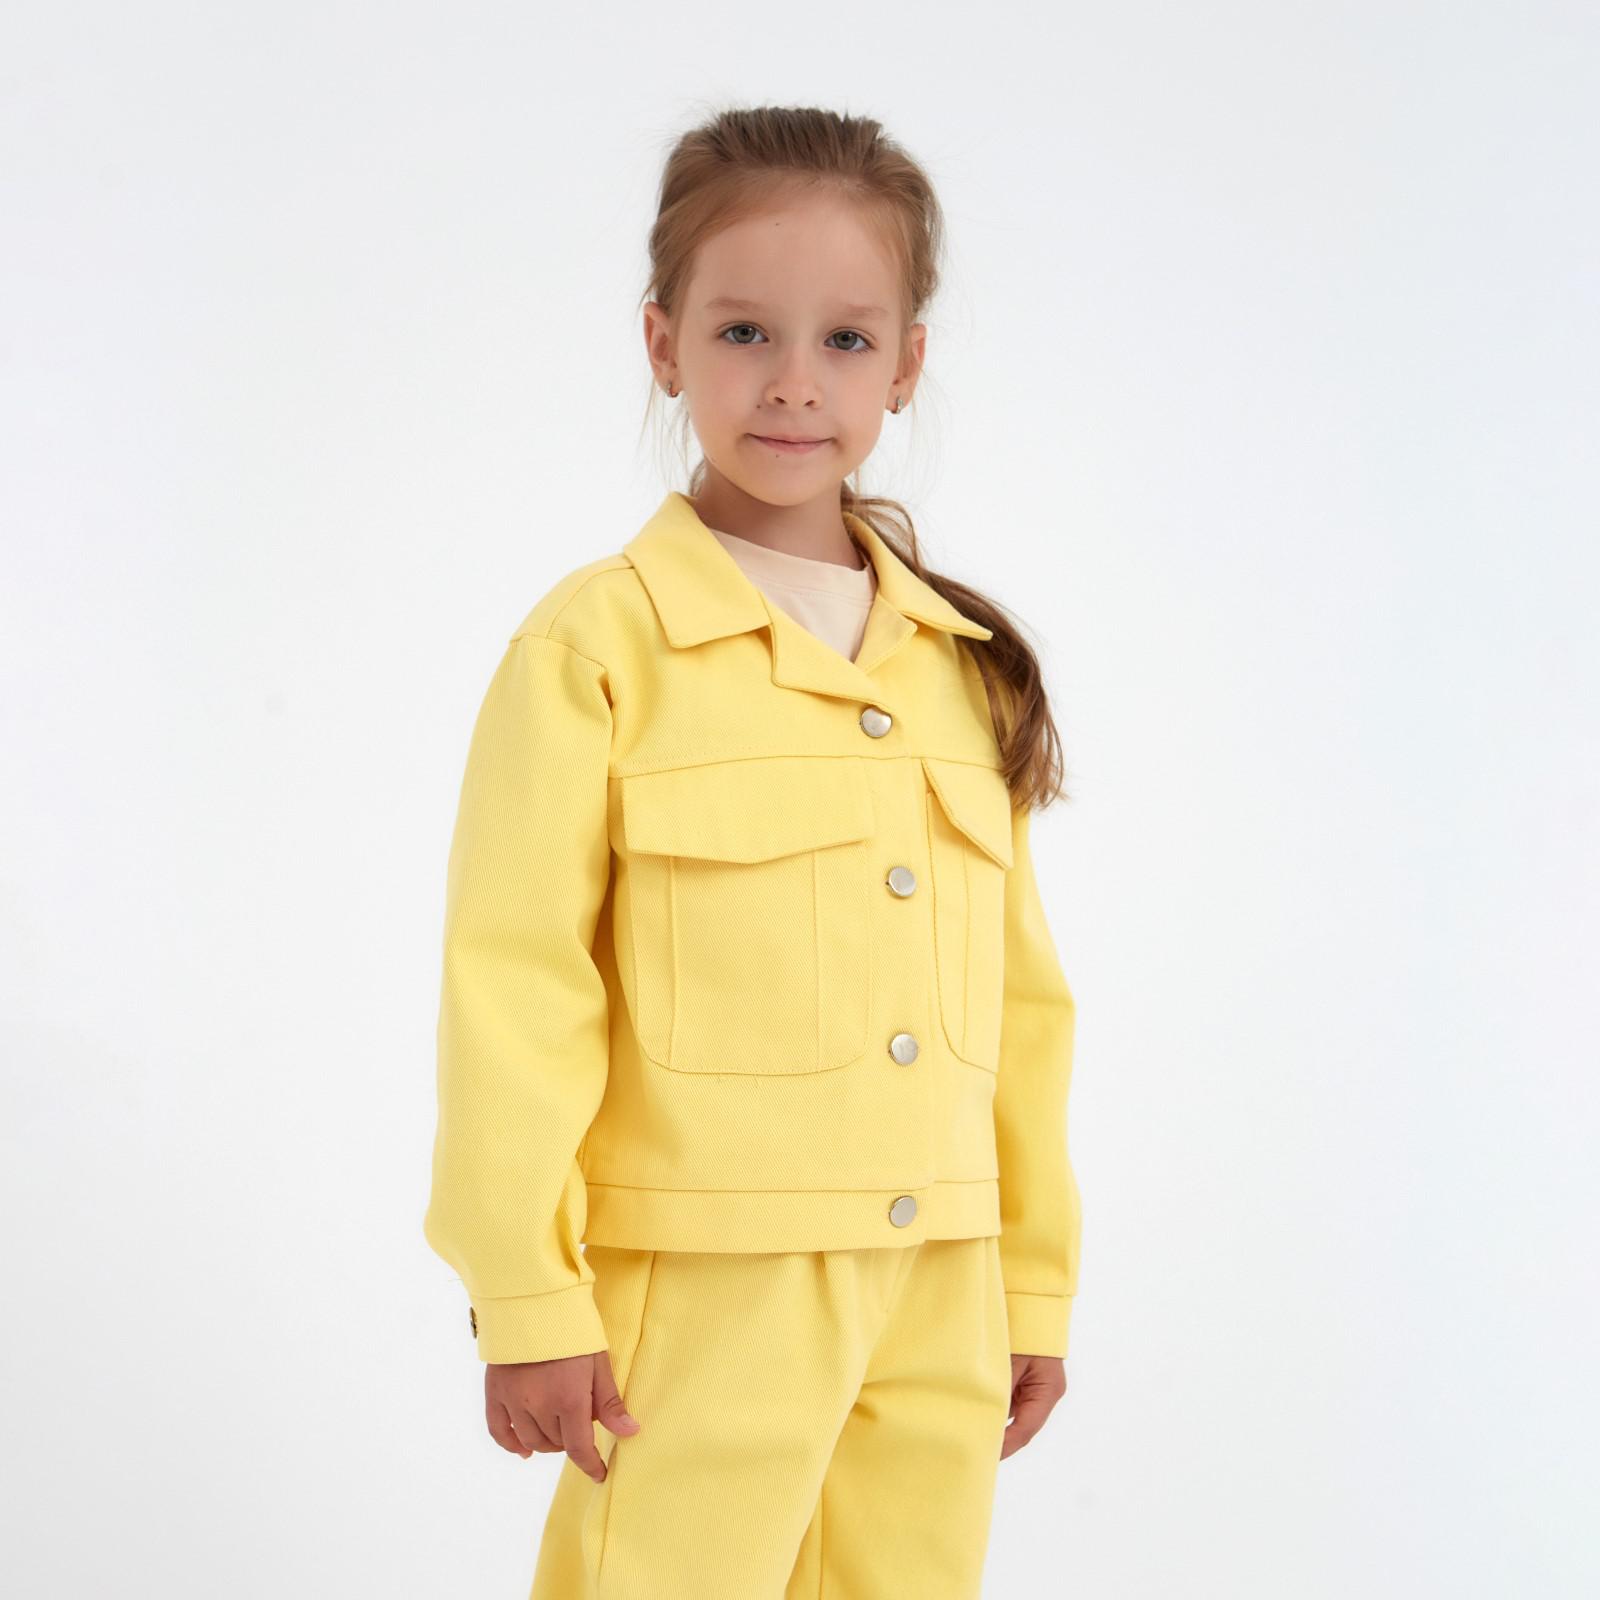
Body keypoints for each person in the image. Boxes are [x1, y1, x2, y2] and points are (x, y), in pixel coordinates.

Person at [423, 103, 1084, 1600]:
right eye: (743, 333)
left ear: (907, 362)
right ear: (664, 345)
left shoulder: (956, 667)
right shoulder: (599, 647)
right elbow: (514, 988)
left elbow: (1026, 1007)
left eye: (846, 340)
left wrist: (1030, 1275)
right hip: (705, 1288)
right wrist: (527, 1292)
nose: (794, 383)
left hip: (940, 1282)